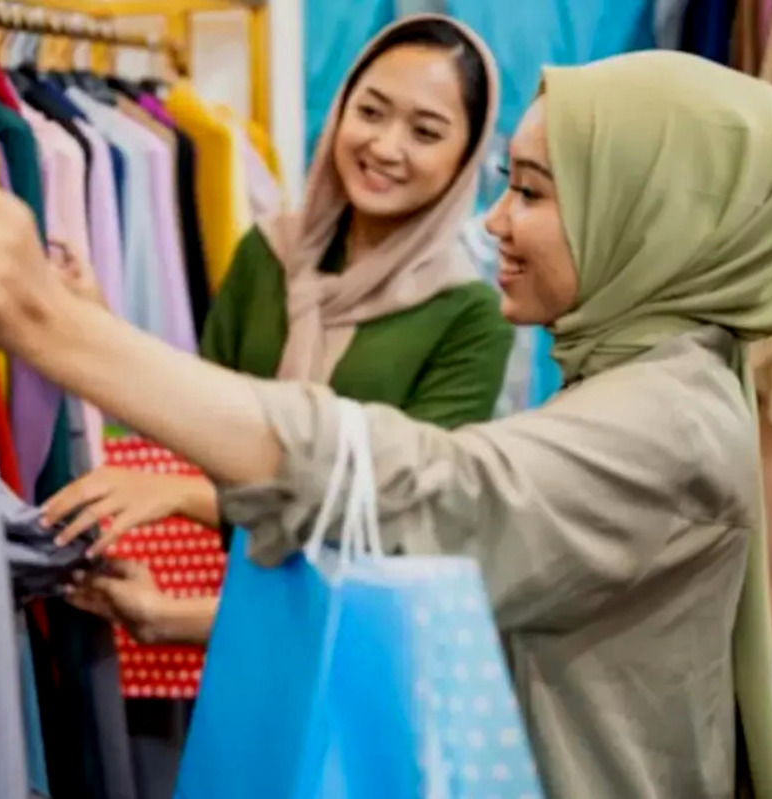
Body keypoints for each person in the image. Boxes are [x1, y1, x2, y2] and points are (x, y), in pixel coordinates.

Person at [0, 46, 772, 799]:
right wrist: (171, 615)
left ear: (651, 215)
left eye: (533, 192)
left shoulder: (663, 422)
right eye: (510, 182)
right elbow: (479, 581)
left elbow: (429, 497)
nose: (497, 220)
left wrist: (56, 328)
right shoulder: (637, 371)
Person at [42, 15, 514, 645]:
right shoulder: (268, 255)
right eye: (370, 112)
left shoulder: (467, 315)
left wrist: (174, 599)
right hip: (238, 626)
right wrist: (91, 322)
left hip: (351, 652)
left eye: (425, 132)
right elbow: (196, 421)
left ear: (464, 159)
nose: (386, 147)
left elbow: (397, 530)